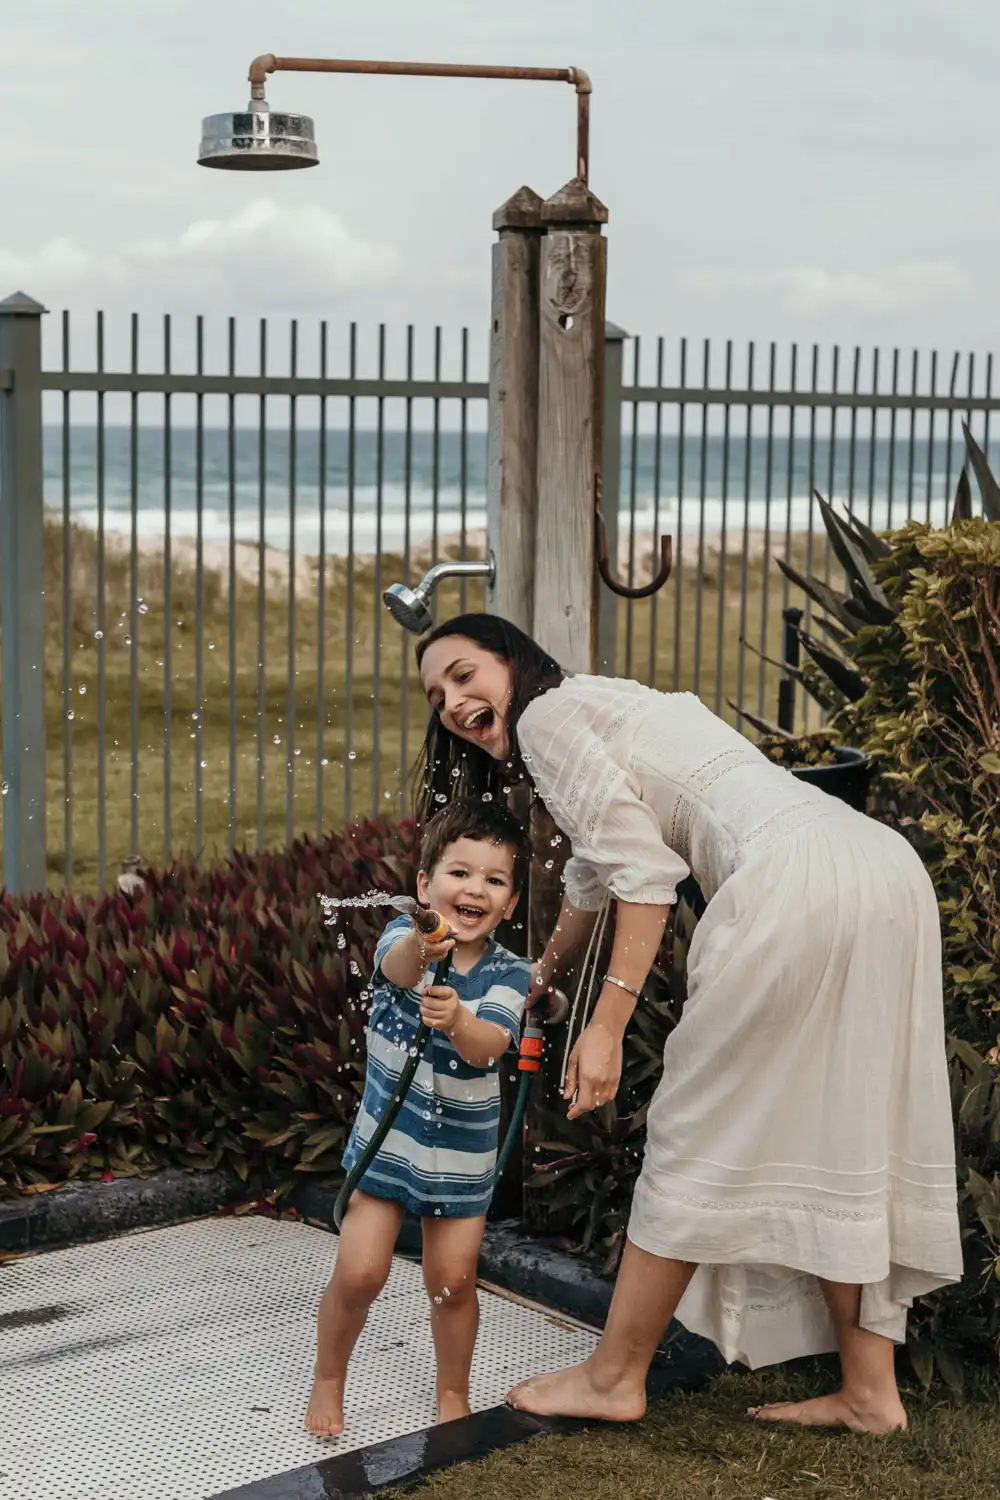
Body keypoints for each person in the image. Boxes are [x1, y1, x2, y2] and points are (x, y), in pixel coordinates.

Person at [415, 612, 962, 1435]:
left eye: (463, 674)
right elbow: (596, 879)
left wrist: (601, 1029)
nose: (453, 702)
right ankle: (870, 1391)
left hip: (789, 880)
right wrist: (542, 977)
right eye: (436, 694)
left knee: (689, 1126)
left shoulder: (544, 717)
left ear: (513, 661)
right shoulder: (599, 703)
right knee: (847, 1126)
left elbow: (645, 877)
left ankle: (614, 1376)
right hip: (876, 863)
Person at [305, 798, 531, 1437]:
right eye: (460, 873)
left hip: (460, 1161)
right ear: (425, 885)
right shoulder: (401, 943)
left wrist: (460, 1019)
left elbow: (490, 1045)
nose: (475, 889)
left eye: (495, 880)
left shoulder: (510, 973)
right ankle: (329, 1377)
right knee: (360, 1271)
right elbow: (396, 966)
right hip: (386, 1147)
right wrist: (424, 945)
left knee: (453, 1282)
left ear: (510, 903)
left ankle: (452, 1392)